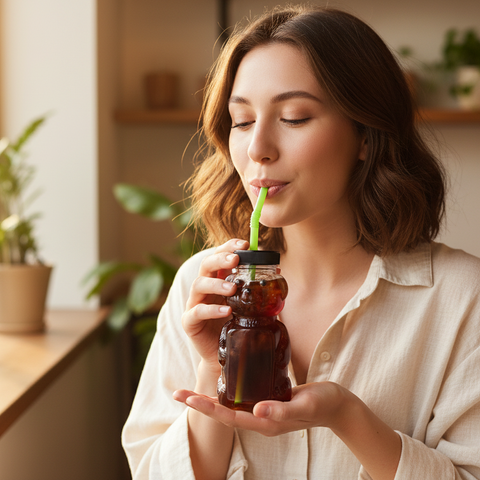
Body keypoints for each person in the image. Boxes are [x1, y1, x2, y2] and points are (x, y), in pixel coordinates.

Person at [122, 5, 480, 479]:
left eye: (293, 117)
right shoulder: (205, 288)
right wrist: (216, 369)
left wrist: (347, 417)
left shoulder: (461, 298)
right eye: (243, 121)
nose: (257, 149)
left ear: (366, 137)